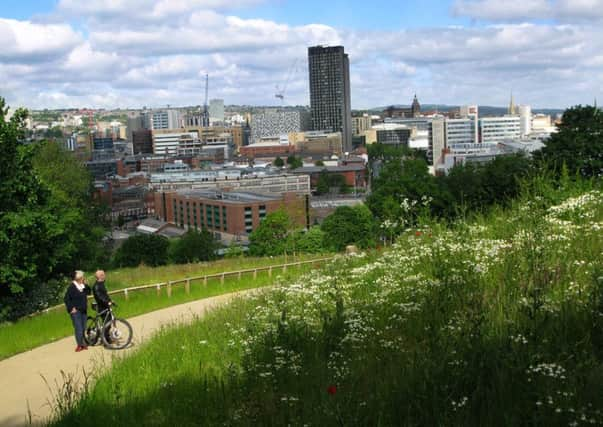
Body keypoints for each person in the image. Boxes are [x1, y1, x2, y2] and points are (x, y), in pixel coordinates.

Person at [63, 270, 91, 352]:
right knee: (78, 328)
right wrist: (71, 308)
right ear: (78, 278)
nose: (83, 278)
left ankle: (83, 343)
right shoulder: (72, 287)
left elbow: (89, 292)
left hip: (83, 310)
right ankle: (80, 345)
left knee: (83, 328)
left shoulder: (82, 286)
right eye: (82, 277)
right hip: (76, 311)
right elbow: (66, 299)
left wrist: (85, 284)